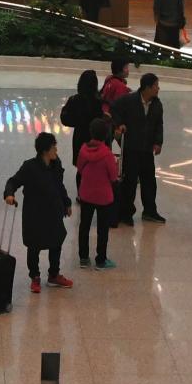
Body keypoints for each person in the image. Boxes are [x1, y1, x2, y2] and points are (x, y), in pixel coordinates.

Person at [2, 131, 73, 291]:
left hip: (53, 212)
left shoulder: (56, 165)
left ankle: (54, 275)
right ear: (45, 151)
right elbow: (13, 181)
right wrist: (9, 194)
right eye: (54, 147)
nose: (56, 150)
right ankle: (34, 276)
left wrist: (66, 203)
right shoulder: (30, 167)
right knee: (34, 245)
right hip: (34, 214)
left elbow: (59, 185)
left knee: (57, 241)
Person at [109, 72, 162, 225]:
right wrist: (119, 124)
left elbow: (159, 125)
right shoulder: (129, 100)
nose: (158, 89)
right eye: (156, 86)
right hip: (131, 149)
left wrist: (158, 142)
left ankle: (150, 211)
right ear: (147, 87)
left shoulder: (157, 104)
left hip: (146, 150)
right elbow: (114, 108)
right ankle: (126, 213)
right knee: (129, 183)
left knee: (149, 182)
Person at [73, 119, 117, 270]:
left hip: (86, 193)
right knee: (102, 229)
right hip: (103, 196)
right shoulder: (107, 154)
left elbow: (79, 168)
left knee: (84, 225)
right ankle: (101, 260)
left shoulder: (83, 150)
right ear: (106, 135)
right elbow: (113, 176)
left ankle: (83, 258)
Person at [58, 68, 102, 147]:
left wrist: (77, 122)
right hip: (95, 138)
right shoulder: (98, 101)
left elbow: (64, 118)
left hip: (79, 136)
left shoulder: (74, 100)